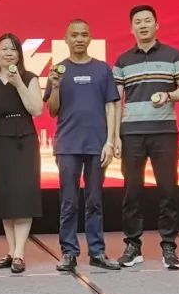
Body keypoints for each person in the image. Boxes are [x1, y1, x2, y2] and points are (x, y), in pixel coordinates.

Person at [112, 5, 179, 270]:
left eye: (148, 21)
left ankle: (169, 246)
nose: (143, 25)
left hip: (164, 132)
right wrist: (115, 136)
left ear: (157, 25)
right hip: (131, 134)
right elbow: (115, 101)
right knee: (132, 192)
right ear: (131, 28)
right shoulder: (122, 61)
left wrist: (168, 95)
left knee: (168, 190)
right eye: (138, 22)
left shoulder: (173, 55)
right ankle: (133, 245)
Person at [44, 19, 122, 272]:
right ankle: (69, 252)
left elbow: (111, 105)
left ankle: (97, 252)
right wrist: (55, 87)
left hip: (97, 145)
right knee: (68, 202)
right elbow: (52, 110)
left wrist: (110, 140)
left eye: (84, 35)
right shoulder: (58, 71)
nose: (79, 39)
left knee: (95, 201)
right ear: (66, 39)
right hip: (67, 145)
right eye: (74, 35)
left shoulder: (102, 69)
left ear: (90, 39)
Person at [0, 33, 43, 274]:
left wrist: (18, 83)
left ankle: (20, 252)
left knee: (23, 197)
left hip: (24, 140)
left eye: (13, 49)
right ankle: (11, 251)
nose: (8, 53)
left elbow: (36, 109)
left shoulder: (29, 78)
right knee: (6, 198)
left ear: (19, 54)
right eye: (4, 49)